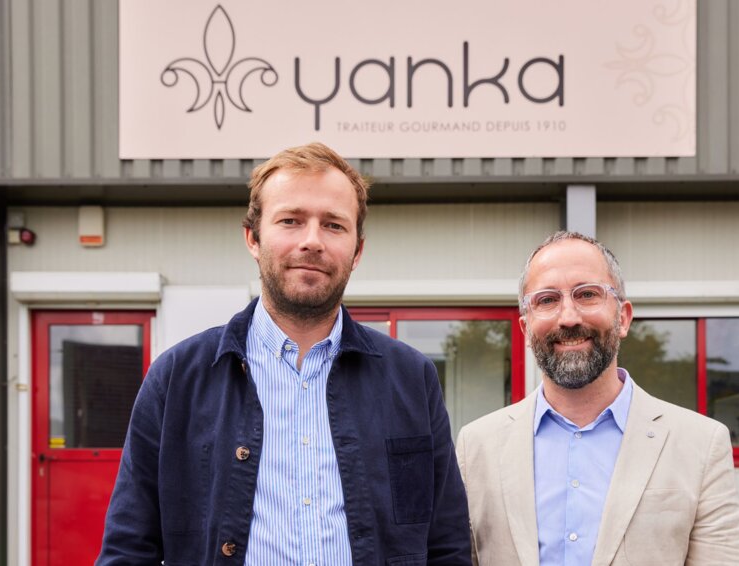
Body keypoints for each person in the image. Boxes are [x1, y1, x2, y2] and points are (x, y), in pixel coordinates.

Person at [97, 142, 471, 566]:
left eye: (333, 225)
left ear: (357, 250)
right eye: (291, 220)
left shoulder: (410, 377)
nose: (312, 241)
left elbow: (447, 543)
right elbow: (128, 548)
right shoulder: (177, 378)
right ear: (253, 238)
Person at [455, 231, 739, 566]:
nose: (568, 317)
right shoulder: (476, 446)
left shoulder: (701, 443)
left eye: (587, 294)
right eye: (547, 300)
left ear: (622, 317)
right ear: (525, 328)